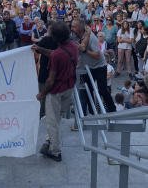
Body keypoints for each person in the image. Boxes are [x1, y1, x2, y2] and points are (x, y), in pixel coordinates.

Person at [34, 21, 78, 162]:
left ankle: (56, 151)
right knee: (56, 118)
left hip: (56, 91)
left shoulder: (56, 56)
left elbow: (50, 81)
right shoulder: (72, 46)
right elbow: (56, 53)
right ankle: (48, 142)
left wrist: (42, 94)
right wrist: (40, 49)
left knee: (52, 121)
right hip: (69, 88)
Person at [71, 18, 116, 114]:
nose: (71, 28)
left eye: (74, 27)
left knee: (102, 90)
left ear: (81, 28)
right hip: (87, 67)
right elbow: (82, 45)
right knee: (88, 90)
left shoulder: (92, 38)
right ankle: (92, 112)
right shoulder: (75, 36)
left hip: (99, 66)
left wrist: (84, 51)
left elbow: (97, 55)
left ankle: (113, 111)